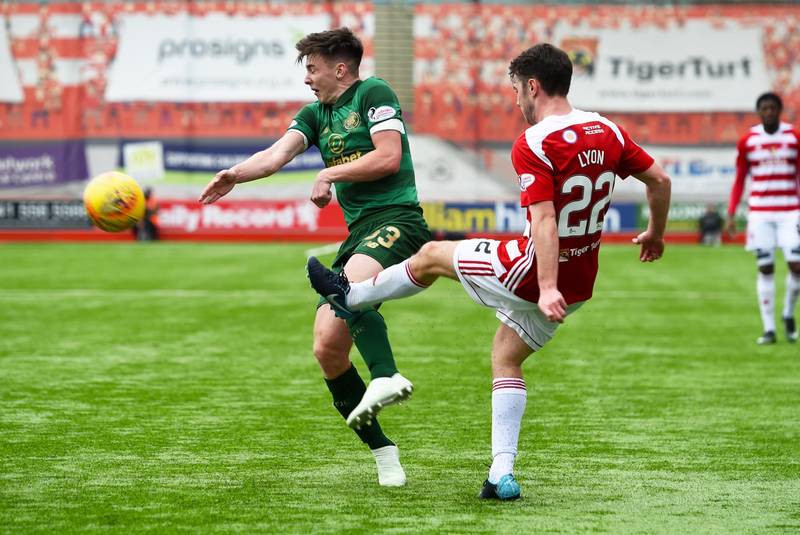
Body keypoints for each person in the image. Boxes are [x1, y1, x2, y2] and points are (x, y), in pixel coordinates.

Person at [308, 43, 671, 500]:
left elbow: (543, 221)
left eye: (517, 89)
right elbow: (660, 180)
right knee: (506, 356)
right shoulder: (608, 131)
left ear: (533, 86)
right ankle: (502, 473)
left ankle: (350, 295)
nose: (516, 100)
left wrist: (545, 286)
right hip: (580, 283)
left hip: (534, 273)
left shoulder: (535, 142)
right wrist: (655, 233)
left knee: (432, 255)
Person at [199, 28, 431, 487]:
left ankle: (386, 375)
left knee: (347, 288)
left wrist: (327, 172)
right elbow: (275, 155)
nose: (307, 78)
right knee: (327, 347)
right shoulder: (314, 113)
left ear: (339, 68)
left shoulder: (374, 92)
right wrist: (235, 175)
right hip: (359, 232)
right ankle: (384, 452)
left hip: (398, 221)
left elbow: (388, 157)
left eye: (312, 68)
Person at [725, 92, 800, 345]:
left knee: (796, 266)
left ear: (779, 110)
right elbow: (740, 179)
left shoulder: (794, 137)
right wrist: (732, 212)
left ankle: (788, 314)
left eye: (772, 108)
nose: (768, 112)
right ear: (759, 112)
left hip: (791, 210)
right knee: (765, 268)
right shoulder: (748, 140)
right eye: (764, 108)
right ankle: (769, 329)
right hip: (760, 212)